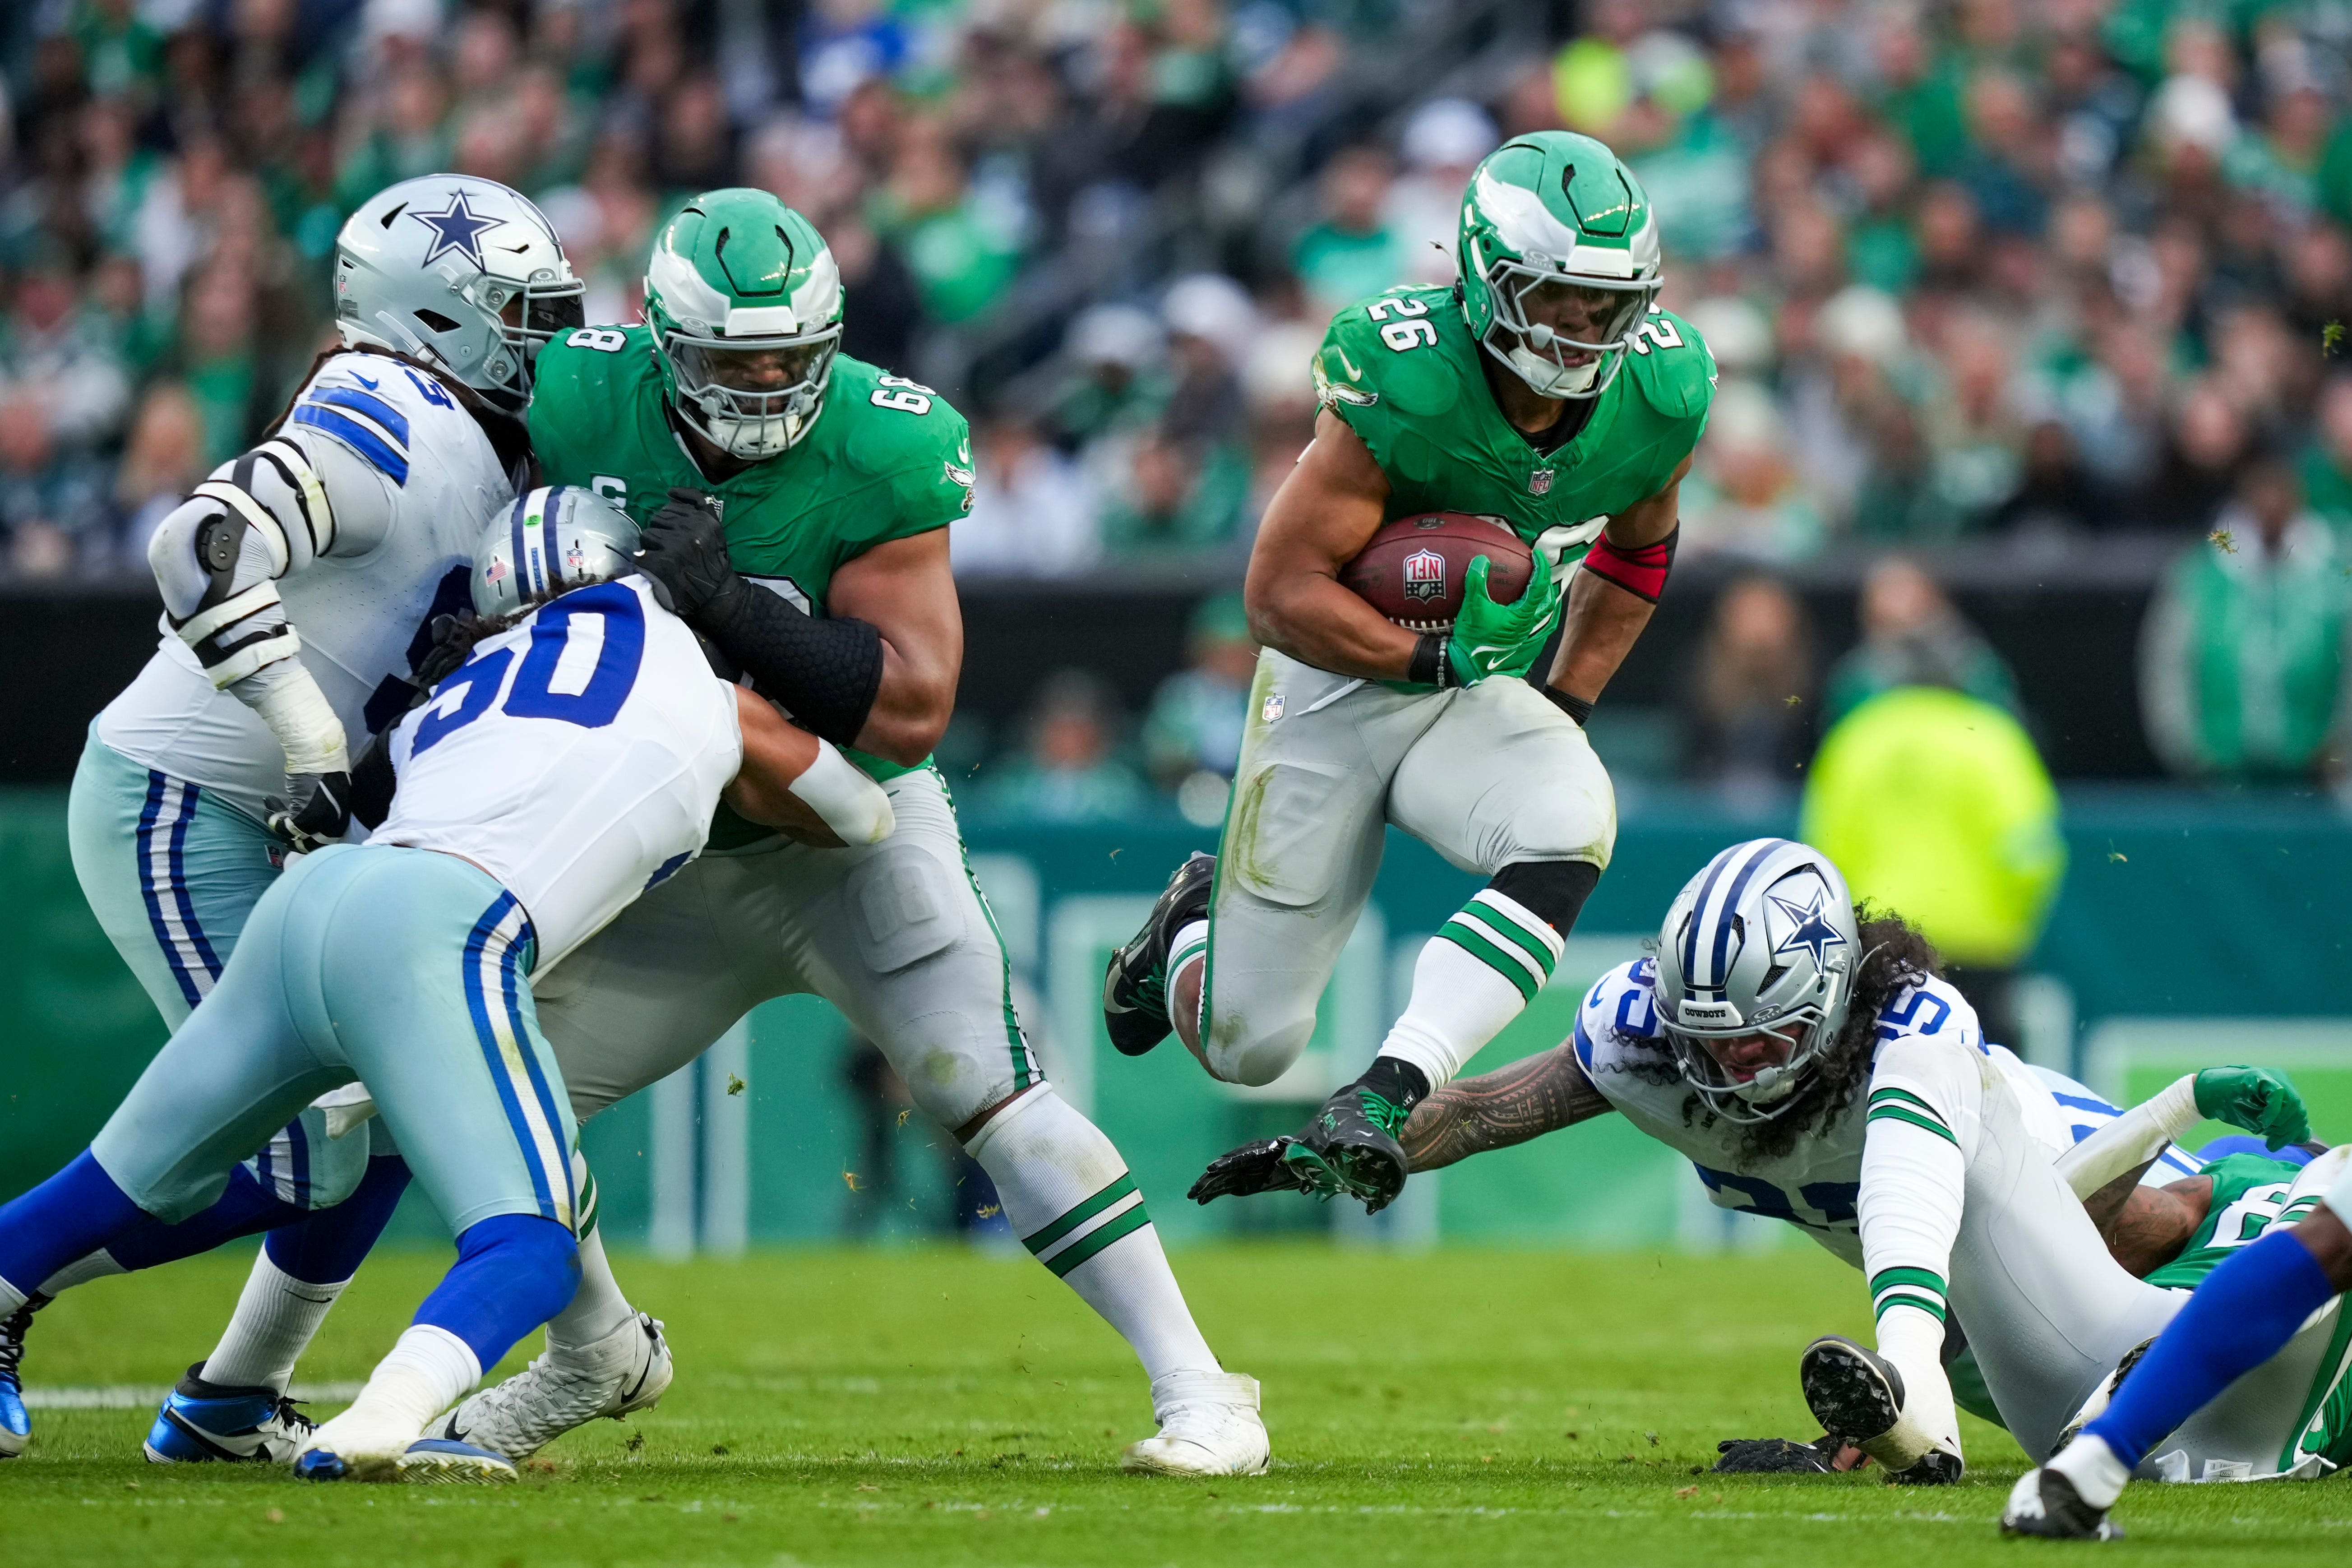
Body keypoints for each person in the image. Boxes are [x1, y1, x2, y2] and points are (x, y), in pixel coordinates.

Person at [431, 189, 1261, 1475]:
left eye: (788, 356)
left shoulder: (883, 441)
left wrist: (728, 606)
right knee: (485, 1099)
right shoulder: (578, 395)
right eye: (733, 358)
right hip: (663, 851)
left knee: (988, 1092)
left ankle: (1203, 1390)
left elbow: (916, 706)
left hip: (846, 837)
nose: (764, 382)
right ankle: (589, 1355)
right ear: (661, 342)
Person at [0, 492, 893, 1481]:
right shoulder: (702, 680)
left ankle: (223, 1394)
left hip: (309, 906)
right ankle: (382, 1416)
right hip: (441, 931)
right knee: (530, 1245)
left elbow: (371, 800)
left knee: (111, 1187)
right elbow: (861, 816)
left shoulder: (453, 685)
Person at [0, 174, 581, 1464]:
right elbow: (199, 541)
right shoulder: (392, 404)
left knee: (366, 1116)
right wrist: (311, 739)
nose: (546, 342)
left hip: (278, 830)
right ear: (437, 319)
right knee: (297, 1147)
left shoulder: (484, 437)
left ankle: (227, 1401)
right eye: (524, 316)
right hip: (187, 800)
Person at [1188, 838, 2310, 1476]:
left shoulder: (1912, 1042)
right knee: (2046, 1401)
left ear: (1825, 1011)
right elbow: (1487, 1110)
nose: (1724, 1073)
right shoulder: (1651, 1035)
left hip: (2170, 1223)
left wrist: (2168, 1117)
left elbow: (2094, 1224)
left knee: (2195, 1409)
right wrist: (1350, 1145)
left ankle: (1905, 1423)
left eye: (1758, 1041)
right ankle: (1897, 1432)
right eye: (1703, 1039)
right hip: (1987, 1324)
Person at [1101, 130, 1714, 1213]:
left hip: (1471, 687)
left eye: (1600, 306)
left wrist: (1558, 702)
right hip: (1335, 681)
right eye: (1553, 298)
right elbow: (1277, 594)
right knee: (1246, 1048)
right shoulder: (1405, 375)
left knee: (1569, 816)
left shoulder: (1659, 389)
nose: (1578, 329)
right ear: (1484, 277)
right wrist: (1425, 650)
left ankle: (1382, 1096)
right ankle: (1187, 926)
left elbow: (1634, 549)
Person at [2005, 1144, 2352, 1536]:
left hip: (2073, 1391)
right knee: (2331, 1231)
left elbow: (2065, 1225)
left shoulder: (2236, 1175)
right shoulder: (2257, 1174)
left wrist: (2177, 1106)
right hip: (2254, 1440)